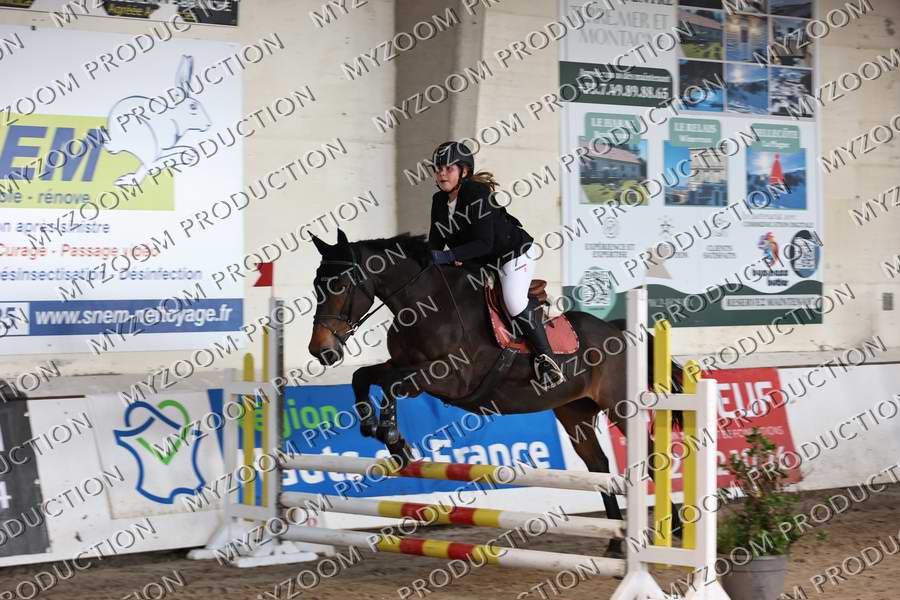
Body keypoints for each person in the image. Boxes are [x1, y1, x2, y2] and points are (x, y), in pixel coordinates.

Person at [427, 140, 565, 388]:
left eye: (448, 168)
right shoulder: (438, 201)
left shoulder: (476, 193)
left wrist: (448, 256)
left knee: (514, 300)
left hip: (513, 255)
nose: (442, 173)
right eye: (438, 169)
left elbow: (484, 243)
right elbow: (435, 244)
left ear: (464, 171)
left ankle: (547, 361)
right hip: (482, 261)